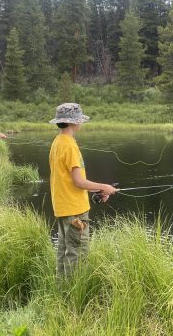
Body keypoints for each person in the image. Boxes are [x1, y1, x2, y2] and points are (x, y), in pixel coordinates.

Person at [48, 103, 118, 277]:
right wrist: (105, 187)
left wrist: (95, 191)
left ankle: (61, 291)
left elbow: (67, 180)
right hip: (75, 211)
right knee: (77, 254)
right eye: (79, 119)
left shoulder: (57, 142)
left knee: (64, 252)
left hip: (63, 207)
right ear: (72, 122)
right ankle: (73, 296)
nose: (81, 122)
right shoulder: (70, 145)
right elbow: (79, 181)